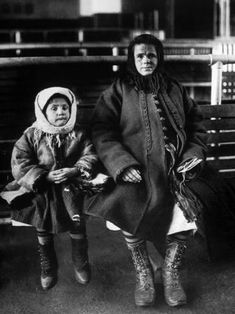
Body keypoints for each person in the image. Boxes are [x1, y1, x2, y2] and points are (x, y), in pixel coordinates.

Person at [84, 34, 208, 307]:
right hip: (137, 169)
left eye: (151, 55)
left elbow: (197, 127)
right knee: (127, 202)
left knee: (190, 206)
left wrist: (192, 156)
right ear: (132, 58)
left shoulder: (174, 87)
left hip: (178, 169)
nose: (146, 60)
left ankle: (170, 271)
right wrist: (121, 164)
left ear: (159, 57)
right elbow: (102, 131)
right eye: (140, 56)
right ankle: (144, 273)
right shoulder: (118, 90)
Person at [0, 87, 98, 290]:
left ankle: (81, 262)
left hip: (73, 185)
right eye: (54, 108)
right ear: (43, 112)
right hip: (42, 188)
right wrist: (43, 176)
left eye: (65, 107)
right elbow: (20, 162)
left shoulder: (79, 133)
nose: (61, 112)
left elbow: (91, 154)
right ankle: (48, 267)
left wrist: (76, 169)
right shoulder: (32, 134)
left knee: (77, 224)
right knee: (42, 224)